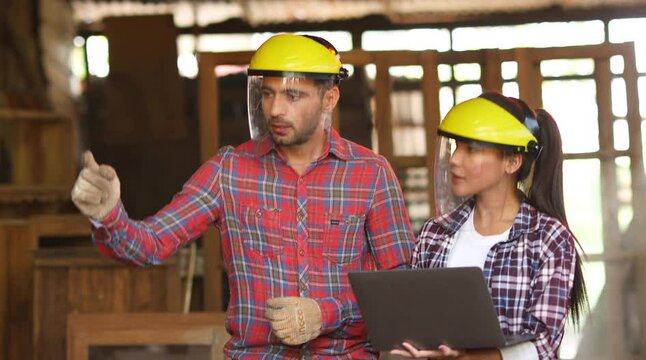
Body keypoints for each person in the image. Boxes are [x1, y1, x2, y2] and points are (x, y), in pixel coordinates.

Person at [71, 33, 415, 359]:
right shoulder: (229, 171)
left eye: (292, 96)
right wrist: (108, 215)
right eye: (268, 93)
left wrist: (326, 314)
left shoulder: (371, 174)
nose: (276, 109)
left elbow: (401, 292)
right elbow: (149, 244)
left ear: (329, 98)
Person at [391, 92, 587, 360]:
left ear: (512, 161)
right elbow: (415, 323)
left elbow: (544, 344)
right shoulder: (435, 234)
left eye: (471, 149)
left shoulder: (548, 239)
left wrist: (473, 359)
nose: (455, 159)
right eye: (456, 147)